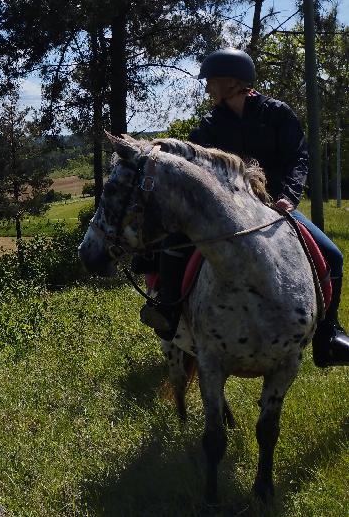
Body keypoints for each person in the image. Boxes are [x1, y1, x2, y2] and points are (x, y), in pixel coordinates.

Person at [140, 47, 349, 367]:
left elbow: (298, 158)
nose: (207, 88)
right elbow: (192, 162)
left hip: (277, 207)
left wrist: (289, 197)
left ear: (233, 82)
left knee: (333, 256)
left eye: (211, 81)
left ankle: (327, 335)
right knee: (171, 245)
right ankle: (168, 308)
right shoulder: (210, 125)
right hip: (227, 212)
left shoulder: (278, 113)